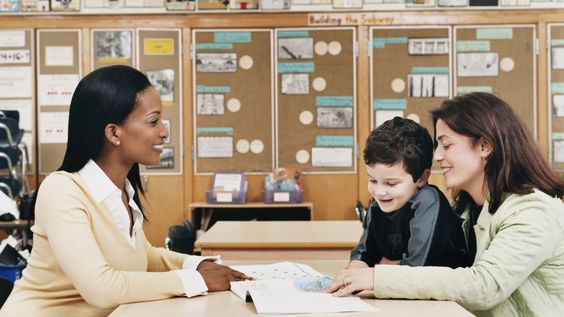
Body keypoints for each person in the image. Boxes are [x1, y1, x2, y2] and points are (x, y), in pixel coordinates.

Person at [0, 65, 250, 317]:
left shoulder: (122, 191)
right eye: (153, 121)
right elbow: (101, 288)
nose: (164, 132)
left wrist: (197, 264)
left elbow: (144, 256)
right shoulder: (62, 190)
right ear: (113, 133)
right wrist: (195, 281)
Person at [327, 92, 564, 317]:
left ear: (485, 146)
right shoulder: (468, 209)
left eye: (446, 145)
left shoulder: (533, 211)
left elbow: (485, 286)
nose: (437, 155)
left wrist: (375, 278)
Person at [348, 117, 471, 270]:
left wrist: (379, 268)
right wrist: (354, 271)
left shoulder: (428, 200)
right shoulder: (379, 203)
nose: (379, 192)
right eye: (373, 180)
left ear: (422, 178)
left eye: (391, 183)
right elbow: (363, 253)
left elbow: (415, 269)